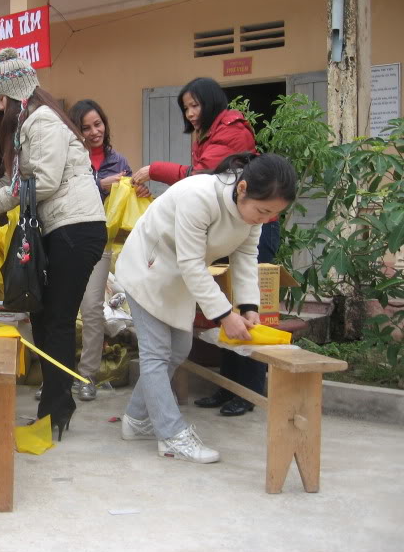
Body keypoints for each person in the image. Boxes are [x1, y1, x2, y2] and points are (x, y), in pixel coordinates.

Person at [0, 48, 106, 438]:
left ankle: (56, 408)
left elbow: (45, 181)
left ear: (14, 95)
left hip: (77, 228)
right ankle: (55, 400)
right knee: (42, 314)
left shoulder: (44, 120)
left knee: (58, 319)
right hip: (60, 229)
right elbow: (7, 181)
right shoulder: (26, 125)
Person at [116, 153, 296, 463]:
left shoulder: (251, 215)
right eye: (263, 210)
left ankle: (136, 418)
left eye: (272, 215)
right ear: (242, 188)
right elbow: (191, 263)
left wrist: (249, 306)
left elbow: (245, 258)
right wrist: (226, 316)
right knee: (157, 353)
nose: (264, 219)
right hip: (147, 268)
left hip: (180, 278)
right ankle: (172, 436)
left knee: (178, 349)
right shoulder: (198, 196)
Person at [134, 77, 275, 416]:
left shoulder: (233, 130)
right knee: (224, 313)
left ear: (212, 102)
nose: (191, 113)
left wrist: (154, 169)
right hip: (224, 228)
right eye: (186, 108)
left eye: (195, 105)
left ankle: (249, 390)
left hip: (243, 227)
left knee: (242, 316)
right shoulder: (207, 133)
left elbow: (200, 174)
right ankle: (227, 387)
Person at [66, 99, 138, 401]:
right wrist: (99, 183)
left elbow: (130, 197)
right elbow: (64, 191)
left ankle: (86, 376)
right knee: (59, 311)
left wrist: (138, 187)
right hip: (67, 239)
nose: (94, 131)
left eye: (98, 124)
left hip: (101, 243)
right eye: (86, 127)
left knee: (92, 308)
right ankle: (56, 374)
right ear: (75, 131)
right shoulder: (69, 158)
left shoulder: (119, 161)